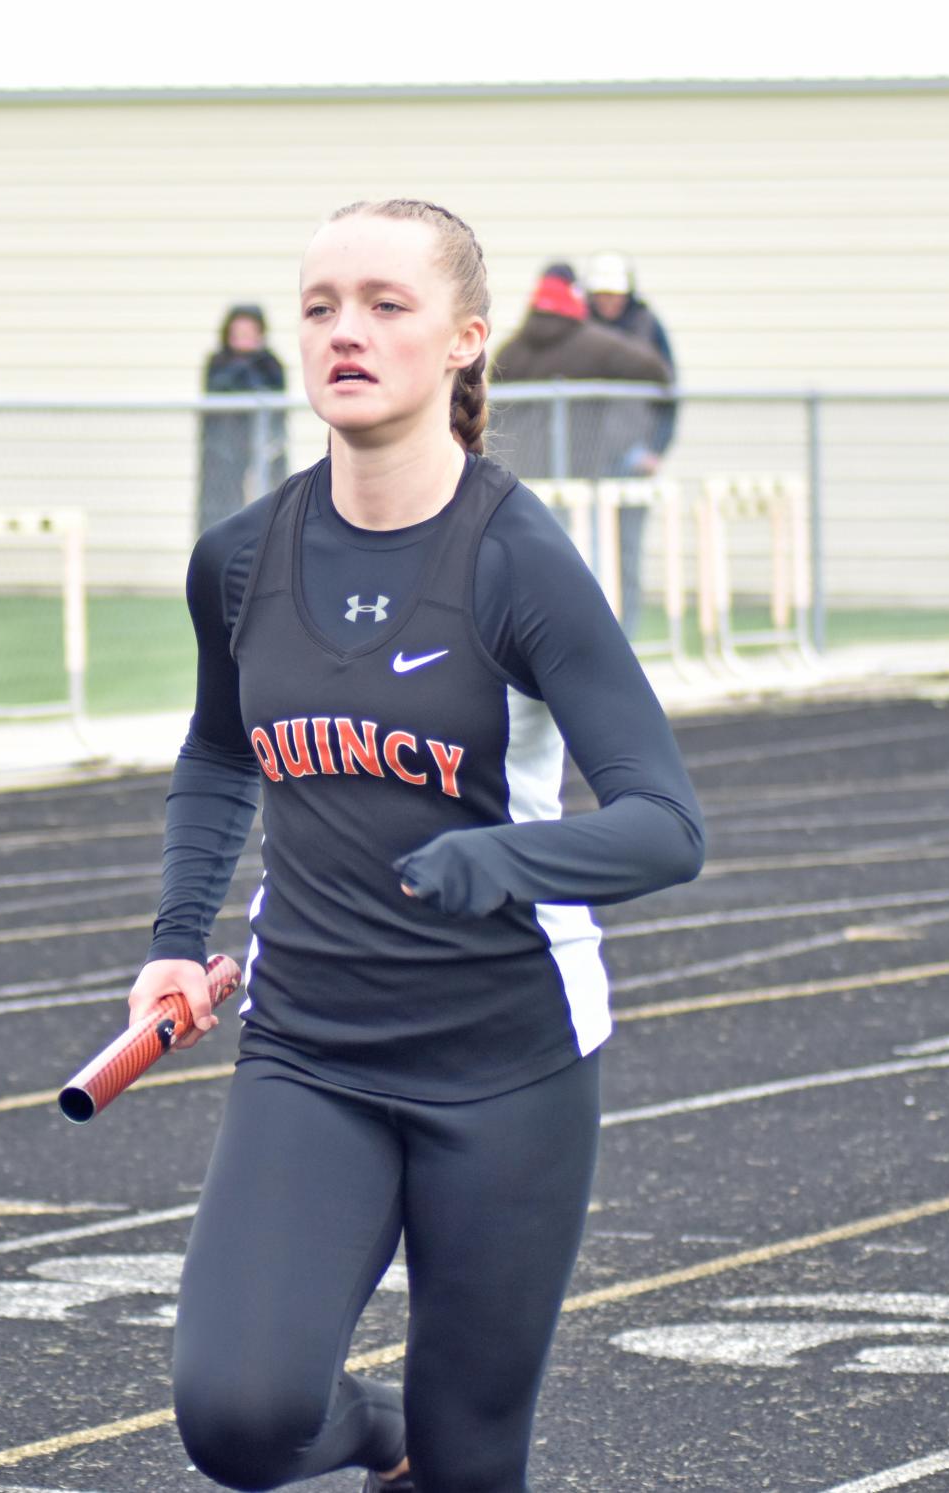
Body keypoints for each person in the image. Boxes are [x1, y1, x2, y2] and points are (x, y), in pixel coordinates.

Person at [128, 198, 704, 1493]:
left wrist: (500, 862)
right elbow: (223, 751)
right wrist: (173, 942)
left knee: (473, 1460)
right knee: (238, 1417)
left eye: (386, 305)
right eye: (322, 305)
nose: (346, 330)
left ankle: (434, 1452)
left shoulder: (518, 561)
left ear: (462, 341)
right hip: (310, 1047)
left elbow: (666, 827)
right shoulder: (238, 557)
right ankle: (382, 1439)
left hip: (506, 1060)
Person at [488, 263, 672, 634]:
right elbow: (659, 373)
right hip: (591, 475)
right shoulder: (599, 346)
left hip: (522, 479)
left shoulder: (511, 351)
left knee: (532, 568)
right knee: (598, 562)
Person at [585, 252, 681, 636]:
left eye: (615, 295)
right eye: (602, 295)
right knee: (586, 551)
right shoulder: (580, 328)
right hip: (589, 460)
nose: (609, 302)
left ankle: (627, 636)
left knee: (627, 554)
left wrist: (656, 449)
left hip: (633, 459)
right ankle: (592, 634)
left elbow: (669, 395)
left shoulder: (647, 326)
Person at [199, 303, 287, 528]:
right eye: (238, 333)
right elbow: (218, 392)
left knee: (272, 501)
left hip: (265, 448)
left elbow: (275, 398)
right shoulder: (218, 363)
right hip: (224, 451)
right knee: (221, 510)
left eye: (249, 333)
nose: (243, 339)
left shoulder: (270, 364)